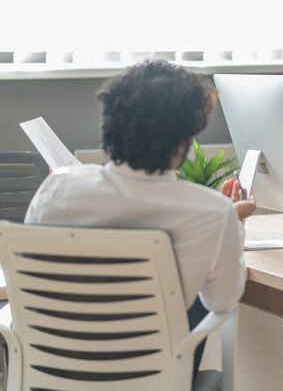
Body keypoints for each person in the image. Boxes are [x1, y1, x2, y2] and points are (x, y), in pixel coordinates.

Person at [25, 60, 256, 380]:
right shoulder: (212, 213)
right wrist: (233, 227)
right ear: (182, 141)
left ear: (108, 125)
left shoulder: (56, 187)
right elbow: (224, 299)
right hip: (151, 379)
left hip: (52, 375)